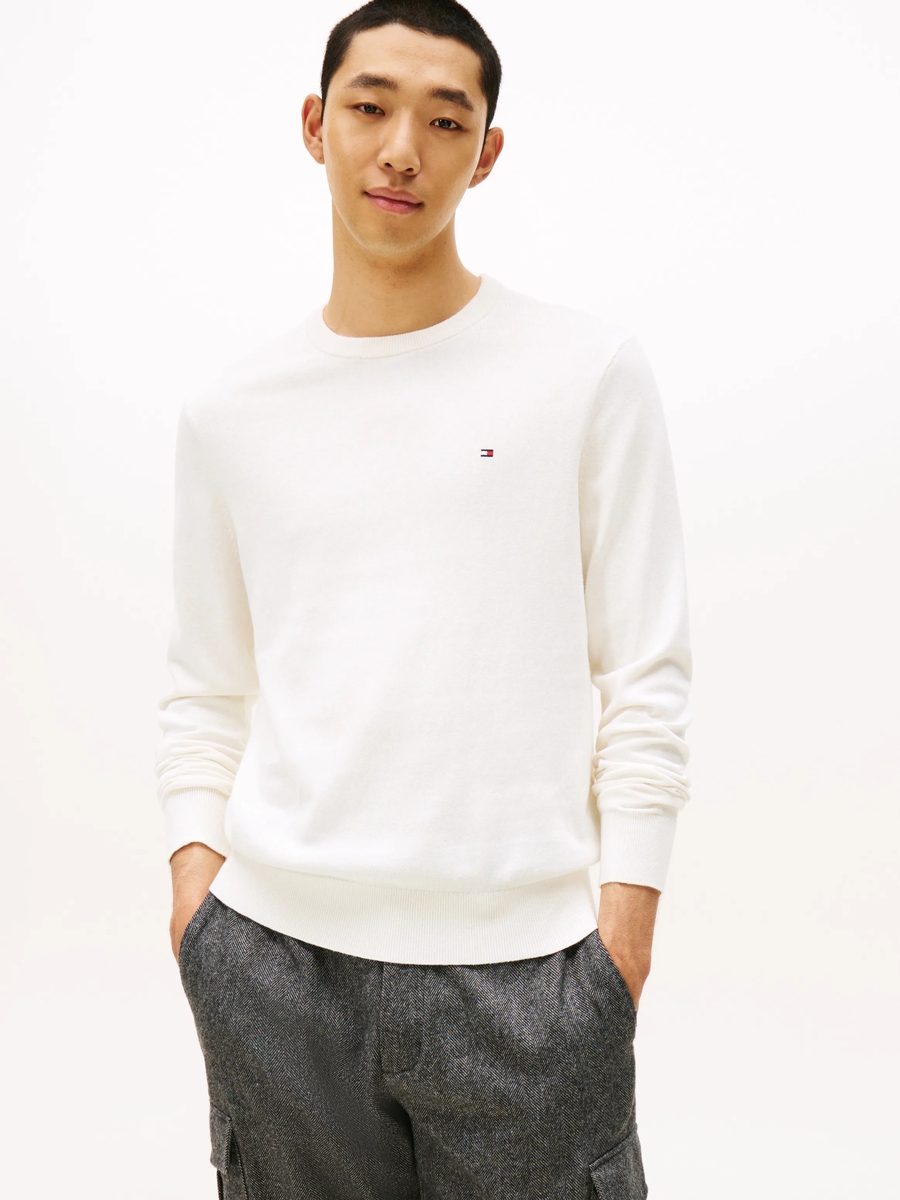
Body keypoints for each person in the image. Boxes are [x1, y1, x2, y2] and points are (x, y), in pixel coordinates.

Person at [156, 1, 691, 1196]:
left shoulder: (585, 372)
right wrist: (198, 903)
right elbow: (204, 686)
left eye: (446, 121)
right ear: (317, 125)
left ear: (486, 152)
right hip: (272, 969)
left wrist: (622, 943)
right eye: (371, 107)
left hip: (531, 979)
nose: (403, 149)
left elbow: (645, 674)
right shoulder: (230, 411)